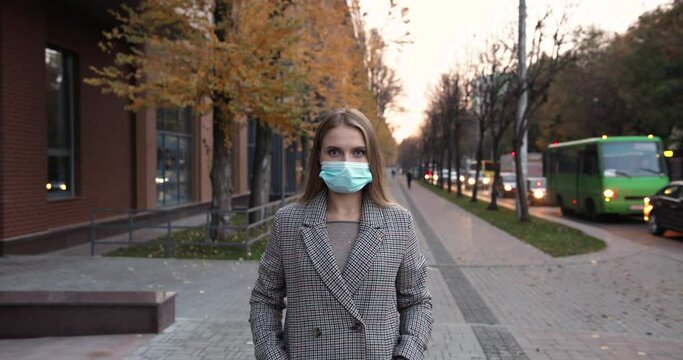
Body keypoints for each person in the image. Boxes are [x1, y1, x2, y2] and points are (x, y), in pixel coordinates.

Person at [249, 108, 432, 359]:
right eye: (334, 151)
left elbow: (417, 302)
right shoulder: (289, 221)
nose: (347, 162)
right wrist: (273, 355)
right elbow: (265, 300)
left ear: (371, 159)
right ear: (319, 157)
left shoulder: (398, 222)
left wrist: (406, 355)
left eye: (358, 152)